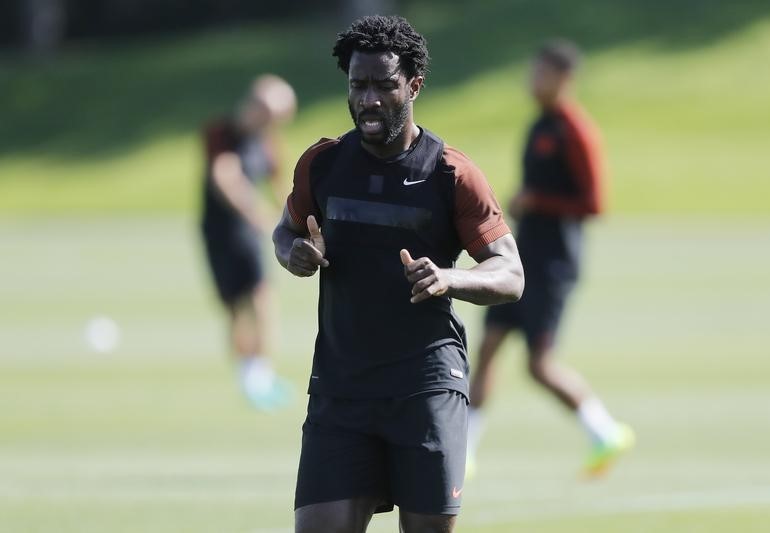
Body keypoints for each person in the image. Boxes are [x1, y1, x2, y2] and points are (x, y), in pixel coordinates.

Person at [272, 15, 524, 533]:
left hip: (425, 387)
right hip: (342, 388)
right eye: (357, 85)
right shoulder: (322, 164)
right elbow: (285, 231)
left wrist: (451, 279)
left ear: (413, 85)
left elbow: (510, 273)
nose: (368, 100)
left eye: (383, 86)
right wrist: (294, 252)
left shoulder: (452, 173)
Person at [466, 40, 635, 478]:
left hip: (554, 263)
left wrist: (536, 200)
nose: (532, 81)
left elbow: (594, 203)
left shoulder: (575, 130)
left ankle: (604, 432)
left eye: (540, 73)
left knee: (539, 366)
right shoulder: (539, 124)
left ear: (563, 78)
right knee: (486, 350)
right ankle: (462, 450)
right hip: (521, 259)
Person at [200, 74, 297, 410]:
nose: (274, 122)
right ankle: (248, 375)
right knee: (235, 308)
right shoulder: (221, 132)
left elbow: (279, 186)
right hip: (220, 231)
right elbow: (224, 178)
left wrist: (293, 220)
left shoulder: (267, 141)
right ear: (255, 105)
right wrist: (256, 213)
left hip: (249, 233)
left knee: (261, 298)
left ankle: (261, 375)